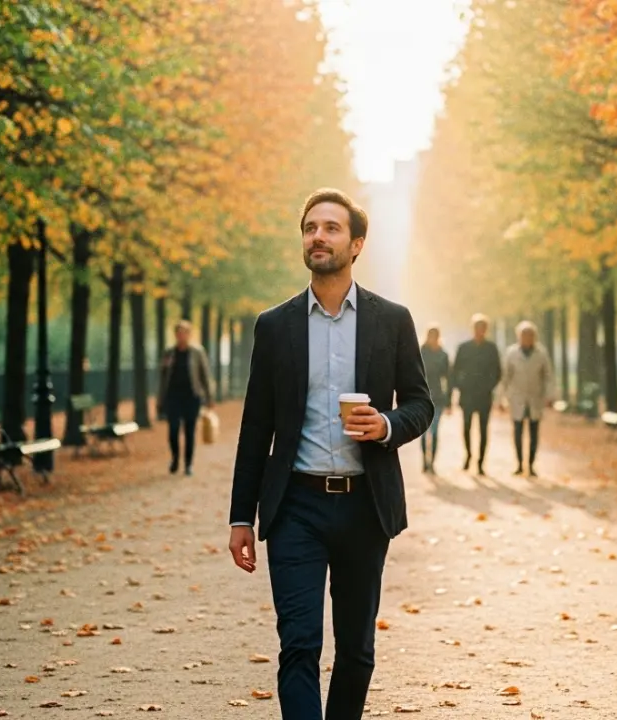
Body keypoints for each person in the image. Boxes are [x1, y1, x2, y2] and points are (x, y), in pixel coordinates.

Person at [227, 188, 433, 720]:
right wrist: (239, 516)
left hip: (366, 506)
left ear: (356, 243)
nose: (318, 236)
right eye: (310, 227)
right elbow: (256, 427)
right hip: (295, 506)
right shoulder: (275, 326)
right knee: (298, 645)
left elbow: (421, 404)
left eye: (332, 228)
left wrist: (385, 424)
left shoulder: (392, 320)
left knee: (357, 652)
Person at [157, 320, 213, 476]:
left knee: (189, 431)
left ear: (189, 334)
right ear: (175, 334)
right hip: (173, 397)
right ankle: (175, 458)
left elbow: (205, 376)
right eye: (178, 332)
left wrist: (209, 397)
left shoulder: (197, 352)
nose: (181, 335)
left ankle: (188, 464)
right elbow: (163, 377)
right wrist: (160, 399)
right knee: (173, 430)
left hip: (192, 397)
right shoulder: (169, 352)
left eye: (184, 332)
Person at [501, 320, 554, 477]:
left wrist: (550, 396)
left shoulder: (541, 354)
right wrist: (501, 399)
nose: (527, 338)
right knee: (517, 432)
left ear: (534, 337)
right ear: (519, 336)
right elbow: (505, 377)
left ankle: (530, 465)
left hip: (535, 398)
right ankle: (519, 464)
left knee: (533, 433)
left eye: (530, 335)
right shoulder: (511, 353)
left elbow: (548, 376)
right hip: (517, 398)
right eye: (524, 335)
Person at [450, 313, 501, 475]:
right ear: (473, 329)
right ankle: (469, 455)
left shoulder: (491, 348)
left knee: (484, 429)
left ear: (486, 330)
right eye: (477, 328)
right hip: (467, 395)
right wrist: (460, 386)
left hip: (484, 395)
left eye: (483, 328)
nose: (480, 331)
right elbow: (455, 370)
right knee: (466, 427)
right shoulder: (463, 348)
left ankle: (480, 462)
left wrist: (489, 386)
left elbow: (498, 371)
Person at [419, 324, 451, 473]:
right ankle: (424, 461)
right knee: (424, 432)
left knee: (435, 431)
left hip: (438, 397)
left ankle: (432, 462)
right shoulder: (420, 353)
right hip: (422, 397)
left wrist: (449, 401)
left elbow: (448, 378)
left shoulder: (443, 355)